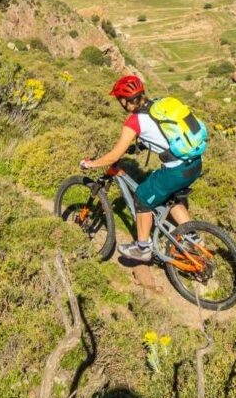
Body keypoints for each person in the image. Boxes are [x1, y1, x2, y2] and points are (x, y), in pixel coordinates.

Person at [80, 74, 204, 263]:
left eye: (119, 100)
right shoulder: (157, 106)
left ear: (125, 100)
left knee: (142, 197)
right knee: (172, 198)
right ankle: (192, 239)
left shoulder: (135, 121)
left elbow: (114, 156)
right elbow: (162, 134)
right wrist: (139, 146)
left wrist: (91, 163)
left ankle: (143, 247)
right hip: (195, 164)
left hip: (176, 171)